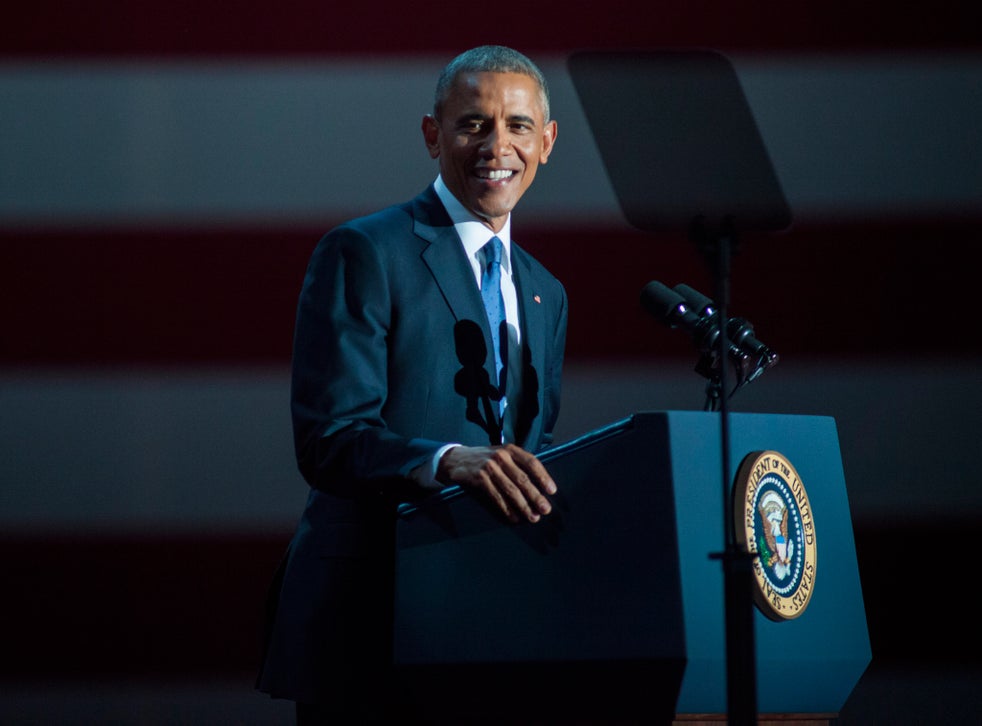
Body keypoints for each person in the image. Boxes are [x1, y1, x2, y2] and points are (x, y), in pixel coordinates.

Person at [256, 45, 567, 723]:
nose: (497, 146)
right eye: (472, 124)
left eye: (517, 126)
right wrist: (446, 462)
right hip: (374, 624)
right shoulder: (366, 252)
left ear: (545, 142)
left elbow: (531, 452)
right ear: (433, 135)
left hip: (492, 628)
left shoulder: (546, 292)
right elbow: (329, 439)